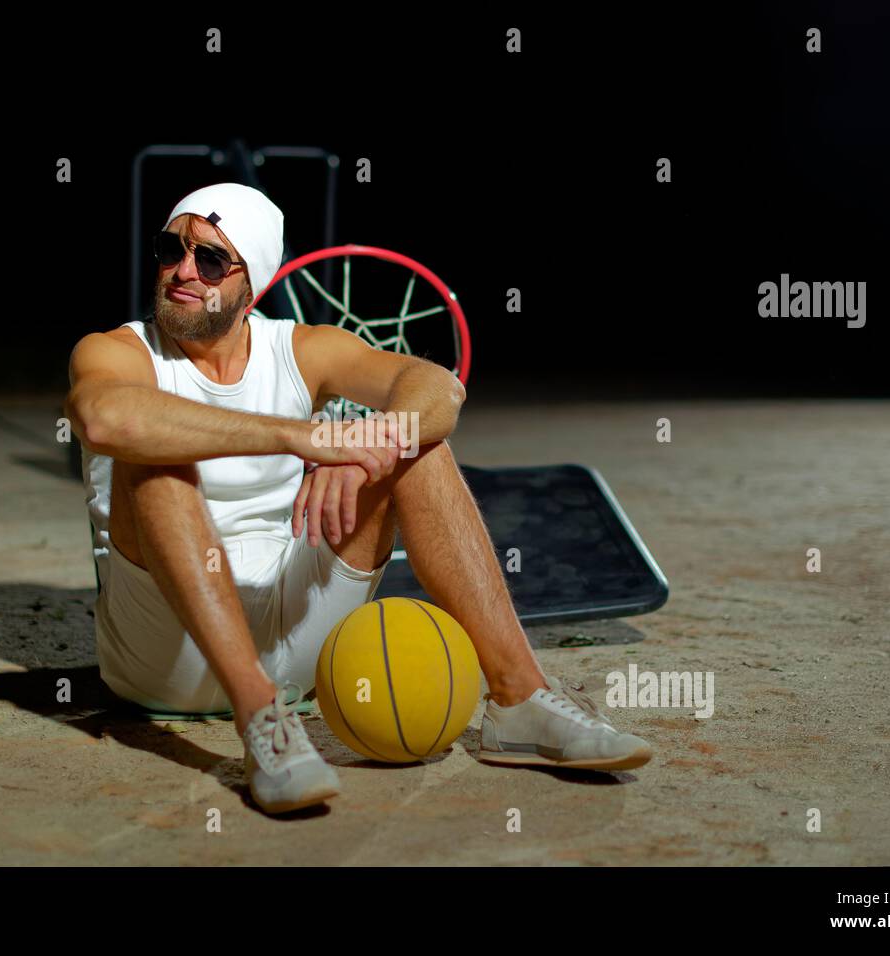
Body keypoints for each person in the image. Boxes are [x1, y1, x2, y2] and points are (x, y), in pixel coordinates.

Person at [66, 183, 652, 814]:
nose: (183, 271)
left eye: (210, 260)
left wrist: (371, 445)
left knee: (417, 443)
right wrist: (307, 438)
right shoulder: (116, 351)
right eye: (170, 249)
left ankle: (520, 701)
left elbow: (434, 389)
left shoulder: (299, 349)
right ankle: (261, 720)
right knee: (155, 457)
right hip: (164, 651)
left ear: (251, 285)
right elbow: (105, 419)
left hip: (301, 642)